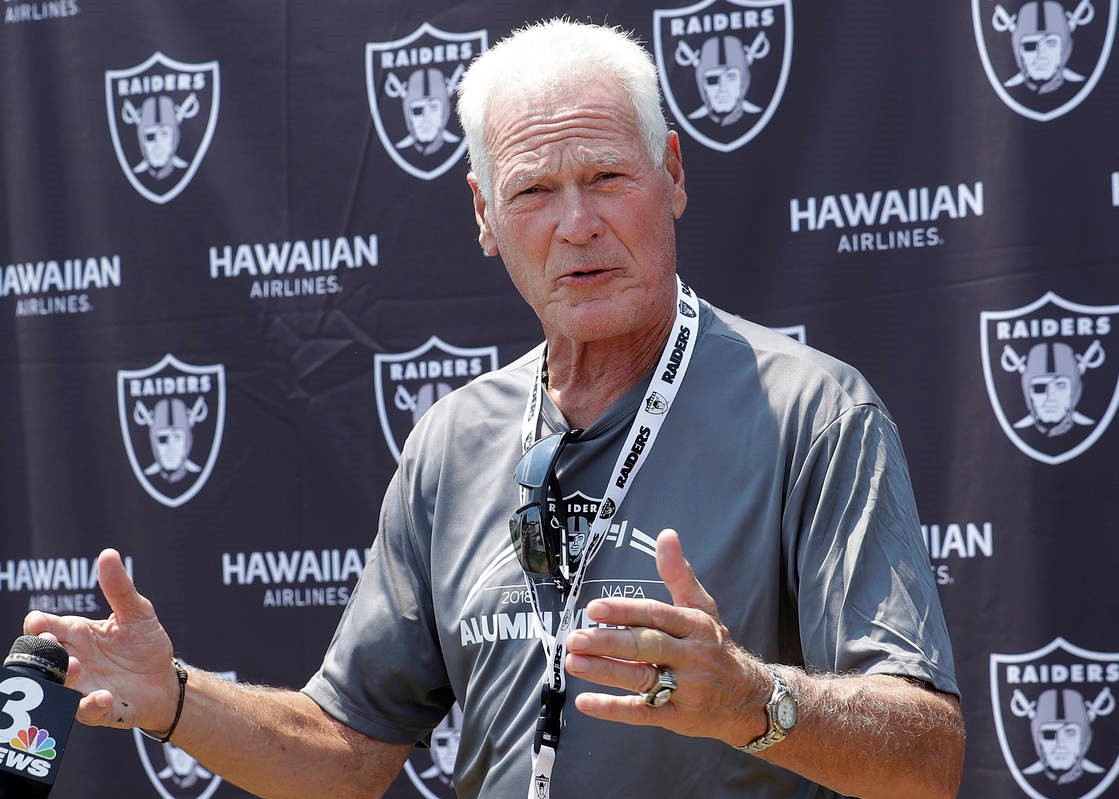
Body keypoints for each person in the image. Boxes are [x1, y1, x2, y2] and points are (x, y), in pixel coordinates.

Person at [24, 18, 965, 799]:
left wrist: (753, 701)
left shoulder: (813, 411)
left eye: (606, 177)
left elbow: (928, 756)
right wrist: (174, 696)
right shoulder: (454, 440)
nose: (577, 224)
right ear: (483, 215)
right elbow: (344, 750)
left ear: (671, 172)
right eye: (533, 192)